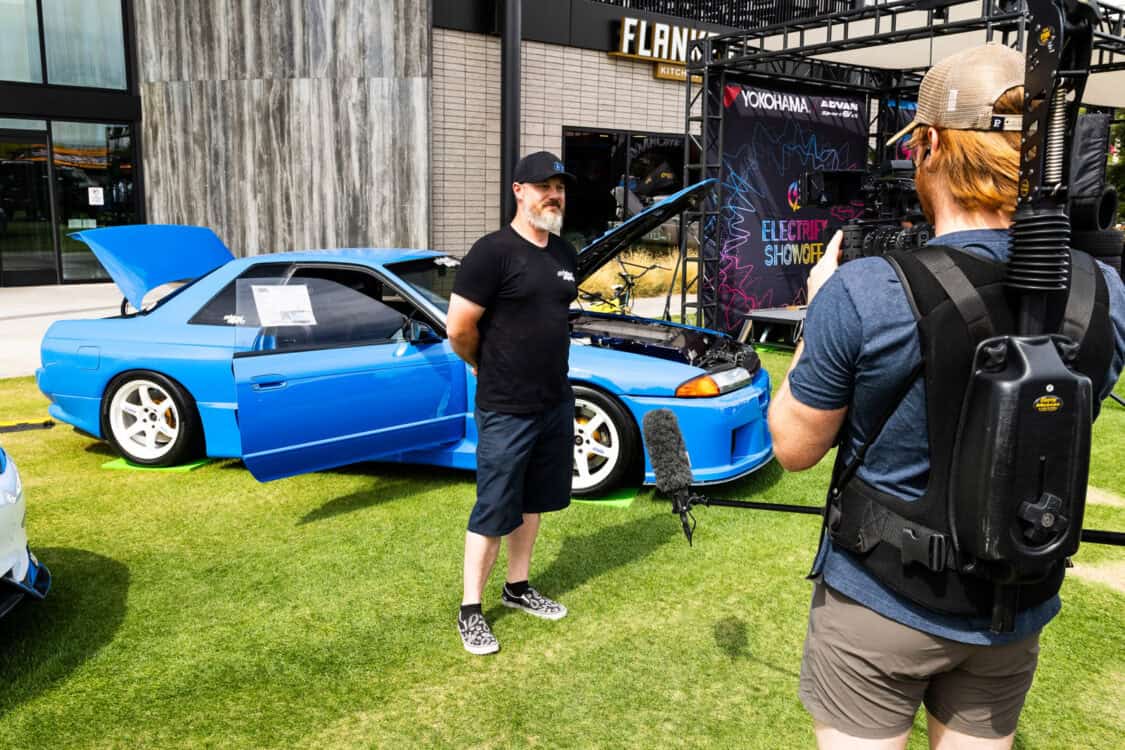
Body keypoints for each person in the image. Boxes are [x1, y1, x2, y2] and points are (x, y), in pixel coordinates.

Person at [767, 43, 1125, 748]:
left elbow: (794, 447)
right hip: (1011, 609)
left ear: (926, 145)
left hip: (879, 603)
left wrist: (814, 318)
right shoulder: (1103, 291)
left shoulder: (865, 291)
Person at [446, 151, 579, 655]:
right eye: (543, 185)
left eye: (559, 186)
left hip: (554, 400)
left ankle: (518, 587)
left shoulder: (564, 254)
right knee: (494, 506)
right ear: (518, 191)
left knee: (535, 501)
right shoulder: (492, 252)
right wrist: (483, 362)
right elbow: (458, 328)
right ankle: (471, 609)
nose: (553, 193)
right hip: (506, 404)